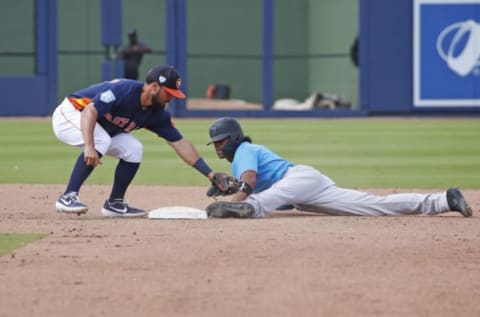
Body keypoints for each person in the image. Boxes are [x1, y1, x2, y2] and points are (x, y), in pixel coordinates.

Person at [205, 117, 473, 219]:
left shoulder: (244, 150)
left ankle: (249, 209)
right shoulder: (239, 159)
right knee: (374, 206)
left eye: (222, 140)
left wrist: (238, 199)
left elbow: (249, 180)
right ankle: (443, 201)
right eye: (214, 143)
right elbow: (258, 188)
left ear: (236, 138)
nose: (218, 146)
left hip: (297, 179)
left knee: (258, 201)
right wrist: (233, 190)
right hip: (306, 192)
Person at [52, 64, 218, 218]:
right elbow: (90, 111)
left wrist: (211, 175)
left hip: (99, 128)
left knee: (134, 148)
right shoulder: (122, 91)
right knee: (100, 140)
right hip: (71, 113)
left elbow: (180, 143)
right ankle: (67, 196)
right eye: (168, 93)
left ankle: (114, 203)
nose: (171, 98)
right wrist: (89, 146)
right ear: (154, 87)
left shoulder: (157, 114)